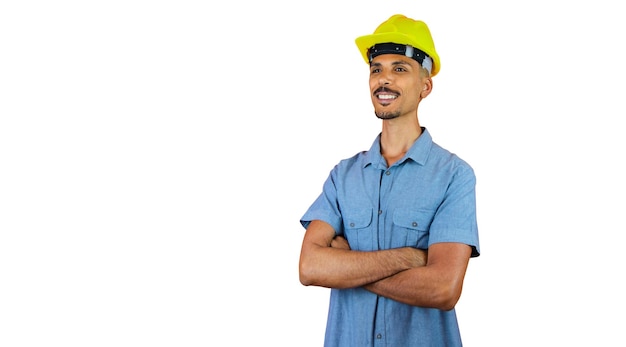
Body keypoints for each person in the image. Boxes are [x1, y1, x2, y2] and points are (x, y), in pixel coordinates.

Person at [298, 14, 480, 347]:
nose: (384, 80)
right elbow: (310, 267)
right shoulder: (343, 176)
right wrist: (410, 258)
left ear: (425, 86)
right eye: (376, 69)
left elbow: (443, 289)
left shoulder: (454, 176)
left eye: (400, 69)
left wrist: (348, 266)